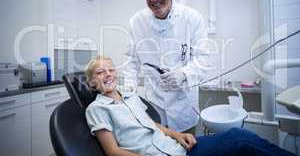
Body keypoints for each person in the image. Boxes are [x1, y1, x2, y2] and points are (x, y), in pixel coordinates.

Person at [85, 56, 295, 156]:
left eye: (111, 69)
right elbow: (112, 151)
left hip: (178, 148)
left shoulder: (131, 97)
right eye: (100, 72)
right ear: (92, 83)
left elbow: (153, 125)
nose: (108, 74)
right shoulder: (97, 109)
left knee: (238, 136)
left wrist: (177, 135)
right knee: (241, 143)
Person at [123, 0, 209, 133]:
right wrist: (128, 96)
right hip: (154, 109)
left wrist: (184, 74)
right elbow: (130, 62)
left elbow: (203, 58)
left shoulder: (192, 18)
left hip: (184, 107)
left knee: (187, 148)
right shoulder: (137, 22)